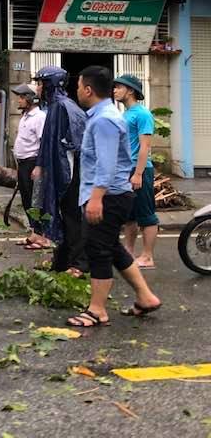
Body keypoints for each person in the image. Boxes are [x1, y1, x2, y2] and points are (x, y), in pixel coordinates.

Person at [66, 66, 161, 328]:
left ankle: (97, 310)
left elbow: (106, 165)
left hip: (109, 196)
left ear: (88, 89)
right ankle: (146, 297)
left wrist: (96, 199)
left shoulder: (105, 119)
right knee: (112, 248)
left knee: (98, 251)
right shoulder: (102, 115)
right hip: (111, 194)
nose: (76, 92)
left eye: (78, 87)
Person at [32, 66, 88, 276]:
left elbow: (75, 143)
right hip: (58, 171)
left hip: (69, 173)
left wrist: (64, 174)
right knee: (62, 217)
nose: (37, 87)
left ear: (51, 84)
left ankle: (80, 263)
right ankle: (63, 260)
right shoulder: (54, 106)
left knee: (72, 218)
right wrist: (41, 165)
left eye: (40, 83)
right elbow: (48, 142)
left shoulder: (65, 107)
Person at [113, 74, 160, 269]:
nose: (114, 90)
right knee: (129, 215)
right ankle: (129, 252)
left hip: (139, 169)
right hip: (126, 169)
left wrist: (138, 173)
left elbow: (144, 147)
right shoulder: (126, 114)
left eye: (118, 87)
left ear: (130, 90)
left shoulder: (142, 114)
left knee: (146, 214)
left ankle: (148, 256)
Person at [11, 83, 48, 248]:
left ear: (31, 99)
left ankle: (42, 236)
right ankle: (35, 233)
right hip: (23, 163)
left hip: (33, 163)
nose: (19, 100)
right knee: (27, 199)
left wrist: (38, 166)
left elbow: (43, 144)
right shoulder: (25, 116)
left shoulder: (39, 117)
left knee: (36, 200)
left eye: (21, 97)